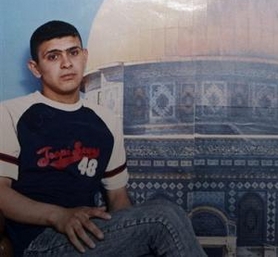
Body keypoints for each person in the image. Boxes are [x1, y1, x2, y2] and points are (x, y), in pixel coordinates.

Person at [0, 20, 206, 257]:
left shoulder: (105, 119)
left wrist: (131, 240)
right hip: (39, 243)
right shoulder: (11, 113)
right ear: (35, 68)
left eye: (73, 52)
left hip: (89, 237)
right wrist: (59, 216)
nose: (67, 63)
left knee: (164, 220)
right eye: (53, 57)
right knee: (164, 218)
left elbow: (117, 198)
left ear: (85, 56)